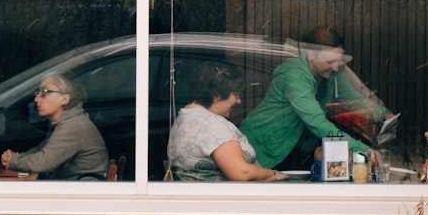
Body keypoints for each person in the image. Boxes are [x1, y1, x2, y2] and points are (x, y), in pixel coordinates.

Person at [240, 26, 392, 170]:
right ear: (311, 55)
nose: (336, 67)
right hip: (262, 148)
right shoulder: (294, 75)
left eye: (339, 61)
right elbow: (316, 122)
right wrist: (361, 149)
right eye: (330, 61)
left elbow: (355, 102)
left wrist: (383, 114)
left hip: (293, 150)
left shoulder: (333, 71)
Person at [167, 62, 287, 182]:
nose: (239, 101)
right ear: (217, 95)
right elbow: (241, 172)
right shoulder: (212, 125)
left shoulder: (186, 116)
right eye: (236, 95)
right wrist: (272, 174)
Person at [0, 72, 109, 180]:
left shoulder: (72, 126)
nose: (36, 99)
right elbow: (41, 150)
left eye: (45, 92)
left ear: (65, 99)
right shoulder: (67, 121)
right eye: (38, 92)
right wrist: (15, 158)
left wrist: (13, 160)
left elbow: (43, 163)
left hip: (82, 193)